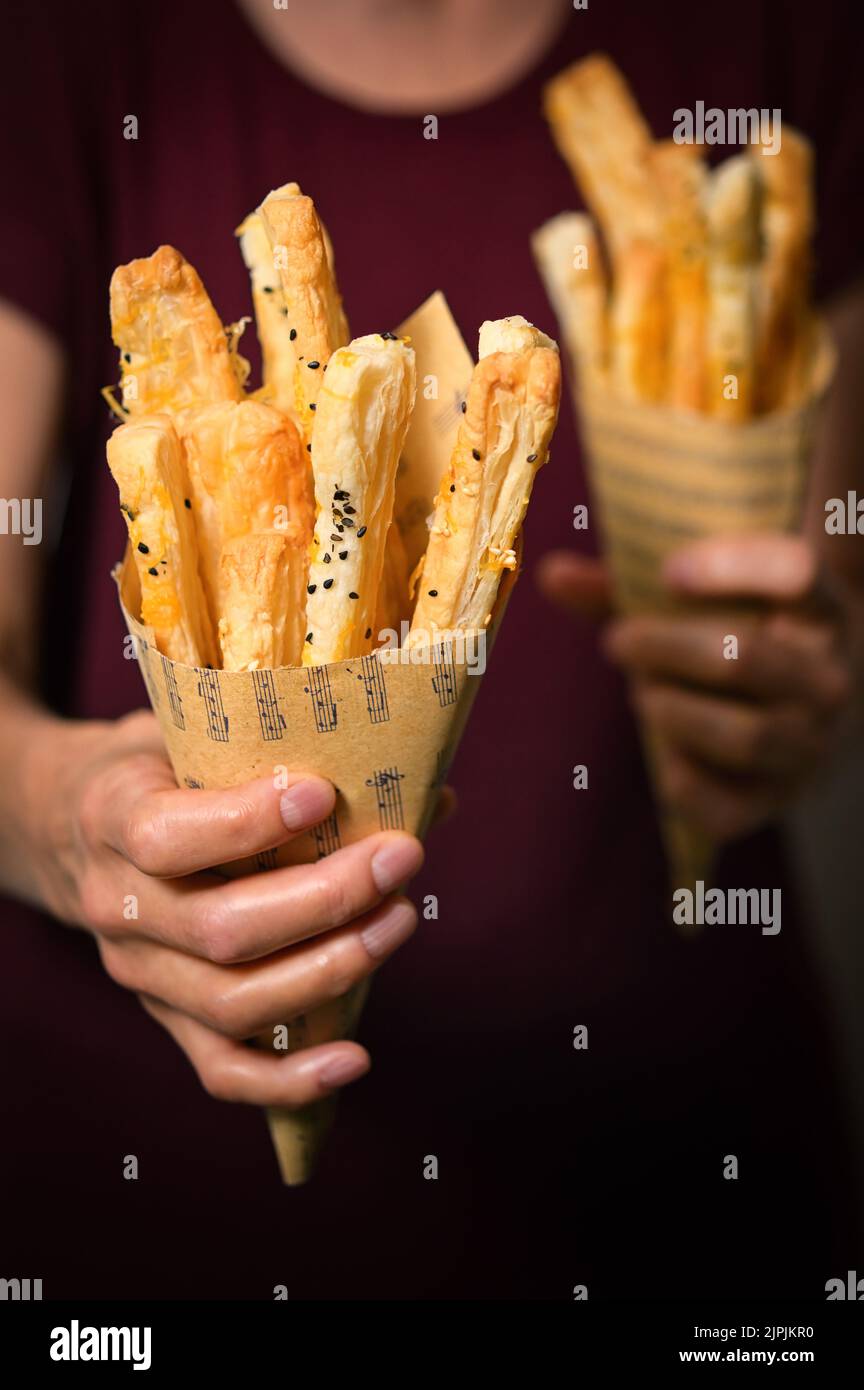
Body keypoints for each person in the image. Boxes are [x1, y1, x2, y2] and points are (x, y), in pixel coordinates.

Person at [0, 0, 861, 1299]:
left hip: (664, 1177)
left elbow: (823, 579)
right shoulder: (67, 38)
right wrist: (66, 815)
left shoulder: (783, 33)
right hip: (144, 1216)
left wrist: (798, 688)